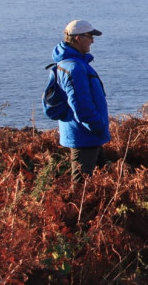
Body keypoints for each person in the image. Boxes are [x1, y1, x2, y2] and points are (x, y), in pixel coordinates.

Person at [51, 19, 110, 183]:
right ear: (78, 38)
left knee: (102, 179)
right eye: (90, 36)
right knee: (80, 186)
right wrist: (98, 126)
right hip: (85, 135)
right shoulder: (74, 68)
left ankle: (101, 208)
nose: (92, 40)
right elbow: (81, 107)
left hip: (88, 134)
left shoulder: (74, 63)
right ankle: (80, 209)